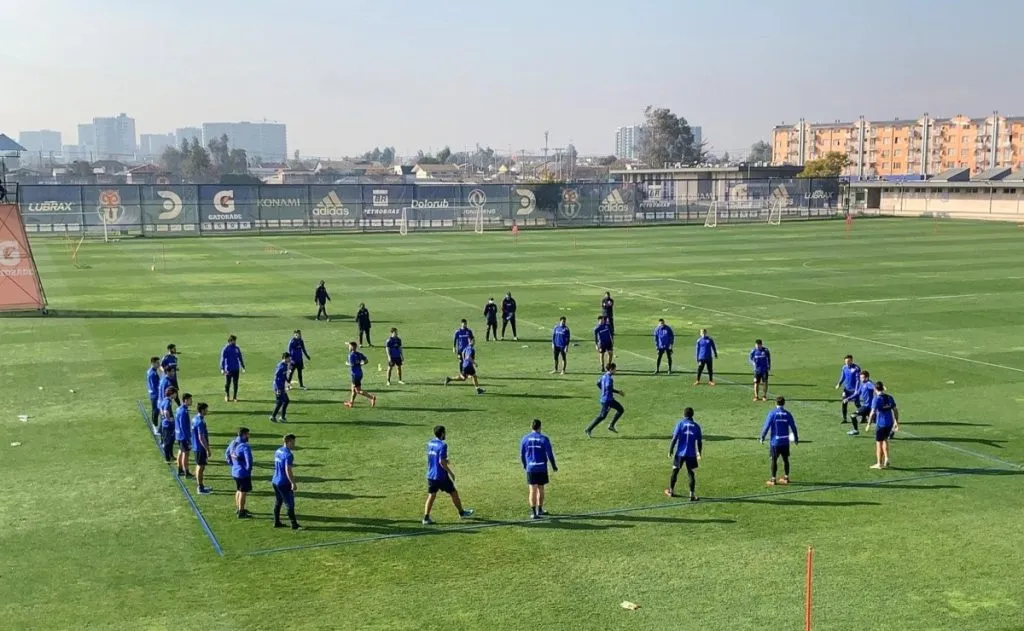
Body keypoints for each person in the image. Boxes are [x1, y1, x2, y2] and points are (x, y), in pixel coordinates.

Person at [422, 425, 475, 525]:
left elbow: (434, 457)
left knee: (431, 496)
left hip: (431, 475)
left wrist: (445, 460)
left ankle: (426, 518)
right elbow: (441, 462)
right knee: (454, 493)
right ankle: (462, 513)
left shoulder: (430, 443)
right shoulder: (443, 445)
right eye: (445, 432)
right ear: (442, 433)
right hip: (441, 476)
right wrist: (451, 473)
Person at [521, 419, 557, 519]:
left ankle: (534, 513)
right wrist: (553, 465)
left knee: (532, 490)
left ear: (531, 427)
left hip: (531, 468)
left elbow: (522, 454)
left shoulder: (525, 439)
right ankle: (540, 509)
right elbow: (549, 454)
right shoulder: (544, 439)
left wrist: (525, 465)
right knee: (541, 489)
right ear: (540, 427)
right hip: (541, 467)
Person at [760, 396, 798, 486]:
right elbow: (793, 427)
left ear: (776, 403)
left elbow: (766, 427)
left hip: (775, 442)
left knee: (774, 460)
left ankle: (773, 479)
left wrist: (762, 437)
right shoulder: (788, 414)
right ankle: (786, 478)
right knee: (786, 459)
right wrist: (796, 438)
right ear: (784, 403)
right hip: (785, 441)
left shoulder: (772, 413)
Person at [666, 407, 703, 500]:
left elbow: (674, 438)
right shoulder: (696, 426)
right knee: (691, 473)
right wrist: (699, 452)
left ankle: (671, 491)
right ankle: (692, 494)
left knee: (675, 471)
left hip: (680, 453)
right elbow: (699, 441)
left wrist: (670, 450)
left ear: (684, 415)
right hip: (691, 454)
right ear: (692, 415)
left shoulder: (680, 424)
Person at [585, 363, 624, 437]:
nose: (616, 370)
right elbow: (608, 386)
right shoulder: (609, 378)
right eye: (615, 369)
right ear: (611, 369)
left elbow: (598, 383)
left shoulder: (604, 376)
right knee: (603, 415)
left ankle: (611, 426)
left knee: (606, 414)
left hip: (605, 399)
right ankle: (589, 429)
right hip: (608, 400)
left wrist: (603, 391)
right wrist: (618, 392)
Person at [272, 434, 302, 530]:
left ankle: (276, 522)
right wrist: (292, 482)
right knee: (289, 503)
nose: (294, 444)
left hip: (275, 480)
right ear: (289, 442)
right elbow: (287, 470)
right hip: (284, 482)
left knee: (278, 501)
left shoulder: (278, 450)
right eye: (293, 442)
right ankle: (294, 525)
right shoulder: (288, 455)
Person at [868, 381, 900, 469]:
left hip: (881, 424)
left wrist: (869, 423)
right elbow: (895, 409)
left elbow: (872, 412)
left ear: (875, 389)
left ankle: (879, 463)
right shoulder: (889, 397)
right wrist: (896, 421)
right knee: (885, 440)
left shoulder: (876, 399)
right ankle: (886, 458)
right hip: (889, 423)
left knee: (878, 443)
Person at [225, 427, 254, 518]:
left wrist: (232, 464)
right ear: (244, 434)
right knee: (243, 492)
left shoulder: (233, 442)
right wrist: (248, 470)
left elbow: (227, 454)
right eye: (248, 434)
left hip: (235, 471)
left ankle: (238, 508)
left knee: (238, 490)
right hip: (242, 473)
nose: (249, 436)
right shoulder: (245, 446)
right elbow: (249, 460)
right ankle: (241, 511)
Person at [344, 341, 377, 408]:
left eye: (349, 346)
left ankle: (371, 397)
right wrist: (361, 364)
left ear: (352, 347)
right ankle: (351, 403)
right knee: (353, 389)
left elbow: (351, 365)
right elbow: (366, 361)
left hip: (355, 374)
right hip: (359, 373)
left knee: (358, 390)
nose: (348, 347)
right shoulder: (359, 354)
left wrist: (347, 363)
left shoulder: (351, 355)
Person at [842, 370, 875, 436]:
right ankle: (890, 432)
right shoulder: (862, 385)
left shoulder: (869, 384)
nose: (861, 379)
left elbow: (875, 388)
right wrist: (848, 399)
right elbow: (857, 393)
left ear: (867, 378)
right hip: (867, 406)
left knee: (853, 415)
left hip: (868, 406)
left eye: (862, 378)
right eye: (860, 378)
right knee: (878, 421)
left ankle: (855, 430)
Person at [191, 402, 212, 495]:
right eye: (206, 409)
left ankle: (201, 485)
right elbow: (201, 437)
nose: (207, 411)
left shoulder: (195, 418)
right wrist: (207, 449)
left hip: (197, 447)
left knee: (200, 466)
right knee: (200, 466)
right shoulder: (199, 421)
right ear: (202, 410)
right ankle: (200, 487)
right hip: (200, 448)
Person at [835, 354, 862, 424]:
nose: (847, 362)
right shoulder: (844, 367)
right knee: (844, 402)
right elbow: (843, 376)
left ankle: (864, 416)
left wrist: (856, 389)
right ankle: (844, 418)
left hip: (854, 390)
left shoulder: (856, 368)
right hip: (846, 389)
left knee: (857, 404)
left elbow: (858, 380)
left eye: (849, 361)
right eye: (846, 361)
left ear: (852, 360)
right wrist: (839, 384)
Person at [220, 334, 246, 403]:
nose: (235, 342)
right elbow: (222, 359)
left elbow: (240, 357)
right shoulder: (226, 349)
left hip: (236, 369)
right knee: (227, 384)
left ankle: (235, 397)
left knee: (235, 383)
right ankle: (227, 396)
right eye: (234, 341)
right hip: (228, 369)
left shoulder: (236, 348)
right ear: (230, 341)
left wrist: (243, 366)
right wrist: (222, 368)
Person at [174, 392, 193, 478]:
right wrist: (188, 439)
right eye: (190, 400)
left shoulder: (179, 409)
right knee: (186, 453)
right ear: (186, 400)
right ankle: (186, 472)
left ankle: (180, 469)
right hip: (183, 436)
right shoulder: (183, 411)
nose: (191, 401)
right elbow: (183, 426)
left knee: (181, 451)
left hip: (178, 435)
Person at [158, 386, 177, 462]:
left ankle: (171, 455)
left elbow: (161, 411)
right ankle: (167, 458)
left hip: (165, 424)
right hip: (168, 425)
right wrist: (169, 419)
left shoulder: (164, 400)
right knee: (168, 442)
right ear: (172, 394)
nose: (176, 395)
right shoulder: (168, 402)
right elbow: (166, 411)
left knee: (171, 441)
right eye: (175, 393)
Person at [271, 353, 291, 422]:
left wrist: (287, 381)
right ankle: (278, 417)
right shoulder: (281, 366)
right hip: (278, 387)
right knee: (281, 402)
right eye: (289, 358)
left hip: (281, 386)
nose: (290, 359)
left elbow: (284, 375)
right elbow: (276, 377)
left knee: (285, 401)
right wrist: (278, 389)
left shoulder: (285, 365)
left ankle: (277, 417)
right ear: (285, 358)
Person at [146, 356, 161, 434]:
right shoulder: (153, 373)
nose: (159, 364)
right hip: (155, 395)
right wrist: (159, 396)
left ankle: (155, 425)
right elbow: (154, 386)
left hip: (153, 394)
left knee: (155, 410)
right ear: (153, 363)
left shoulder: (150, 371)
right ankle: (155, 427)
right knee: (155, 411)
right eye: (157, 363)